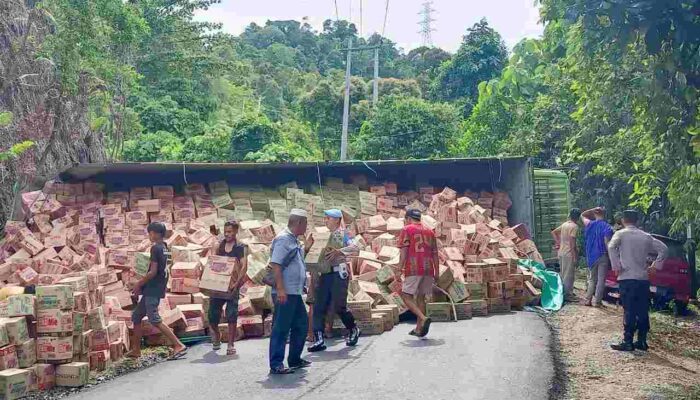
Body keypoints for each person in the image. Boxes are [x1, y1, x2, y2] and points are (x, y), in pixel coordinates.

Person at [608, 210, 667, 352]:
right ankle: (642, 341)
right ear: (637, 221)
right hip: (643, 279)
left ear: (623, 220)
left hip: (626, 277)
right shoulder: (646, 236)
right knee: (642, 310)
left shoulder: (620, 234)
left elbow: (611, 247)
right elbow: (664, 249)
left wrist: (616, 266)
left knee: (629, 309)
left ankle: (627, 341)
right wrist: (655, 266)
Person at [127, 222, 187, 360]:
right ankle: (136, 350)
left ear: (154, 233)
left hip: (153, 289)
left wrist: (138, 284)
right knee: (136, 316)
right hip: (156, 287)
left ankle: (178, 345)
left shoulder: (155, 248)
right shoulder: (165, 247)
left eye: (150, 233)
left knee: (154, 319)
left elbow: (153, 272)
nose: (149, 235)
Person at [307, 209, 360, 352]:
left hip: (339, 273)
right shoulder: (323, 236)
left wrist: (340, 251)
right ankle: (318, 338)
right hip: (324, 273)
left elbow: (356, 247)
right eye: (325, 218)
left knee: (339, 306)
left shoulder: (344, 234)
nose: (325, 221)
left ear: (337, 220)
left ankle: (353, 328)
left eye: (328, 218)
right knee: (319, 306)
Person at [268, 209, 314, 375]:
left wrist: (306, 248)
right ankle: (276, 364)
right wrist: (280, 289)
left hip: (293, 292)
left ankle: (294, 359)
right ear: (299, 223)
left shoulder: (294, 240)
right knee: (281, 328)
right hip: (285, 292)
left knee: (301, 324)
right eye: (306, 223)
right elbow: (276, 264)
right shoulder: (283, 239)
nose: (307, 227)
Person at [207, 220, 248, 356]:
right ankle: (217, 335)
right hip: (218, 286)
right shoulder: (220, 245)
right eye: (225, 231)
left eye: (230, 231)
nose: (227, 234)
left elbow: (244, 266)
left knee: (231, 315)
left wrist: (237, 283)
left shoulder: (240, 247)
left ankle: (230, 344)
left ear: (236, 231)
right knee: (212, 315)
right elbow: (213, 261)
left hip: (232, 286)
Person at [398, 209, 439, 337]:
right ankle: (418, 329)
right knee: (421, 297)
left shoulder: (407, 229)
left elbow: (404, 251)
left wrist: (399, 268)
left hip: (414, 268)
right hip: (428, 269)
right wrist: (436, 272)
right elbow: (435, 254)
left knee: (406, 296)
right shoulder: (430, 231)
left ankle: (423, 318)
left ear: (408, 218)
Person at [581, 207, 614, 307]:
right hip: (602, 255)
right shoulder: (607, 227)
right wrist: (611, 257)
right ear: (604, 215)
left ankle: (588, 300)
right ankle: (597, 302)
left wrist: (592, 209)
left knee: (592, 279)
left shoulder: (589, 224)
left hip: (591, 256)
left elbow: (582, 215)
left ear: (594, 214)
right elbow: (607, 242)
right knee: (601, 280)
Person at [552, 208, 581, 300]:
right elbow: (572, 243)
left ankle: (565, 292)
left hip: (561, 252)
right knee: (569, 275)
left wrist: (558, 243)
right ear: (578, 217)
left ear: (569, 215)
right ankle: (567, 295)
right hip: (568, 253)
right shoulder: (574, 227)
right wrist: (575, 256)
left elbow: (554, 232)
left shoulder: (565, 224)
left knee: (563, 273)